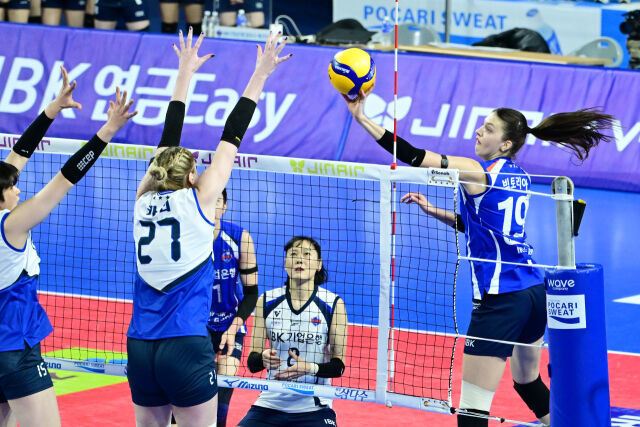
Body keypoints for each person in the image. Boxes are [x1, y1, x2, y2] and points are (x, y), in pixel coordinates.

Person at [343, 89, 614, 426]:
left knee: (472, 409)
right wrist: (434, 210)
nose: (478, 132)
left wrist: (362, 119)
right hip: (533, 293)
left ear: (505, 143)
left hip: (502, 300)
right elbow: (485, 228)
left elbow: (413, 155)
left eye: (488, 128)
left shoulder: (475, 170)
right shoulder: (518, 175)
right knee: (527, 382)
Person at [126, 28, 290, 427]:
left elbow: (166, 143)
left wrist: (184, 71)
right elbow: (233, 132)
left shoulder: (142, 200)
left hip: (140, 344)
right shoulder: (200, 202)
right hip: (184, 343)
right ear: (191, 178)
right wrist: (261, 74)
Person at [0, 65, 136, 427]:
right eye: (11, 188)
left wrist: (52, 109)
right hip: (15, 349)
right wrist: (108, 131)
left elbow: (18, 154)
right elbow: (65, 177)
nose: (18, 188)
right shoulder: (12, 224)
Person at [170, 188, 259, 427]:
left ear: (225, 206)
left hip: (230, 323)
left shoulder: (240, 238)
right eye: (208, 200)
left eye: (218, 200)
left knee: (225, 381)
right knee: (188, 384)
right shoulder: (184, 237)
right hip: (194, 325)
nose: (213, 205)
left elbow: (251, 294)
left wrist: (233, 329)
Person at [239, 236, 348, 427]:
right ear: (285, 264)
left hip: (314, 406)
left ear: (318, 264)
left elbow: (338, 367)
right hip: (270, 403)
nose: (299, 259)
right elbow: (252, 363)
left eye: (307, 254)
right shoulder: (266, 301)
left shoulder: (333, 304)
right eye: (294, 254)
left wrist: (311, 368)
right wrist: (263, 358)